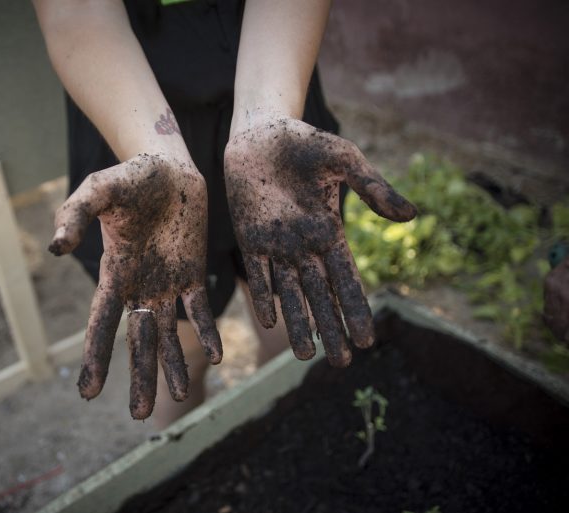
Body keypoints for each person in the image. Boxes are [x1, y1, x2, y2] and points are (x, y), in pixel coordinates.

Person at [32, 0, 416, 426]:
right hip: (128, 109)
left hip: (276, 97)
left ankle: (282, 431)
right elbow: (77, 10)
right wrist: (153, 149)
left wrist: (266, 115)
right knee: (180, 344)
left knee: (289, 316)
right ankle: (182, 462)